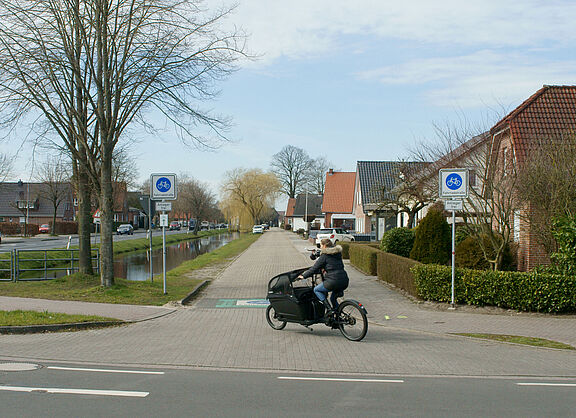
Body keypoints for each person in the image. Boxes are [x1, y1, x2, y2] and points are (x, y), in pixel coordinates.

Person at [297, 238, 349, 316]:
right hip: (344, 280)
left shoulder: (324, 256)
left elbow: (314, 268)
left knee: (317, 290)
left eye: (321, 245)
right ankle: (338, 315)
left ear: (324, 246)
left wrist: (303, 276)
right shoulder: (337, 254)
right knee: (333, 298)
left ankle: (329, 309)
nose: (320, 247)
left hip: (333, 281)